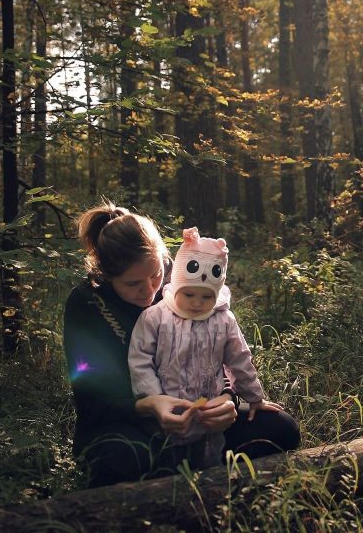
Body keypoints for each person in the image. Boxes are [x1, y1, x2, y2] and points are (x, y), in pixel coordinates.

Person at [63, 202, 300, 487]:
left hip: (201, 422)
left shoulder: (180, 285)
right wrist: (150, 405)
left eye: (155, 275)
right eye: (133, 283)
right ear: (106, 275)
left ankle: (193, 471)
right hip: (129, 426)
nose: (149, 291)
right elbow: (91, 401)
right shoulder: (87, 303)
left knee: (281, 428)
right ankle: (187, 475)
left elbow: (213, 352)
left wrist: (227, 399)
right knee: (122, 457)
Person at [128, 227, 283, 469]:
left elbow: (240, 359)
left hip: (209, 416)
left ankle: (213, 492)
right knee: (166, 463)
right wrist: (153, 397)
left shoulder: (223, 320)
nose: (197, 303)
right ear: (177, 284)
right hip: (164, 419)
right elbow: (140, 360)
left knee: (209, 460)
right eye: (189, 294)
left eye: (207, 297)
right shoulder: (154, 318)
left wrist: (254, 397)